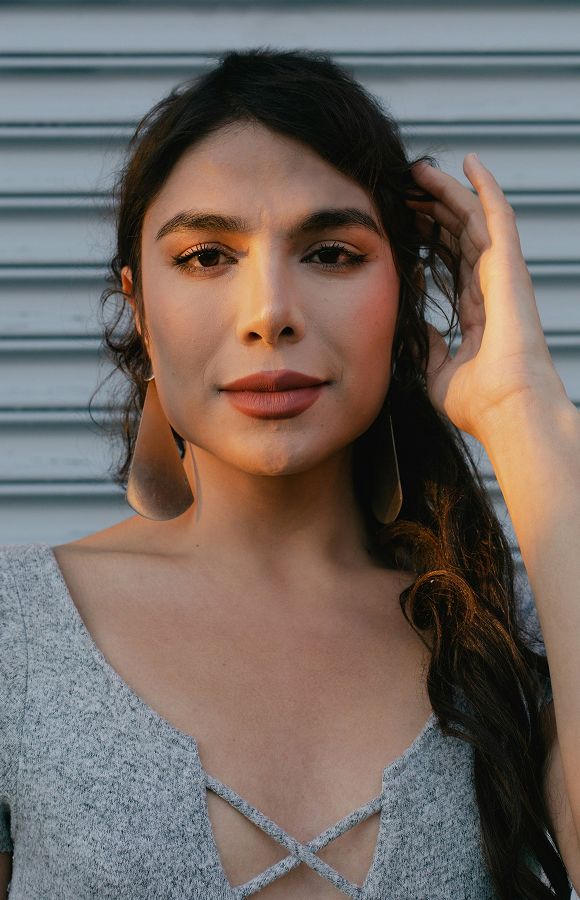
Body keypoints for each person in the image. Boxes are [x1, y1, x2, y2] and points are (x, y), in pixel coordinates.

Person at [0, 47, 577, 899]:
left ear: (407, 298)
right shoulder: (17, 631)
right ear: (141, 311)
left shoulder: (518, 635)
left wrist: (525, 413)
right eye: (205, 256)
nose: (270, 311)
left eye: (332, 253)